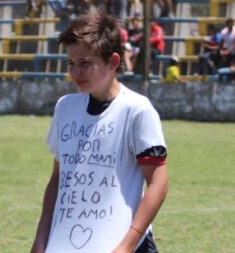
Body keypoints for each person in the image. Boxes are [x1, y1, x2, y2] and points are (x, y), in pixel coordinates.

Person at [30, 13, 169, 253]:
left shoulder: (136, 110)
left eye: (85, 63)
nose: (76, 72)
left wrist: (127, 245)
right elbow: (57, 180)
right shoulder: (65, 107)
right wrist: (41, 239)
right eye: (71, 64)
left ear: (113, 61)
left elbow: (159, 183)